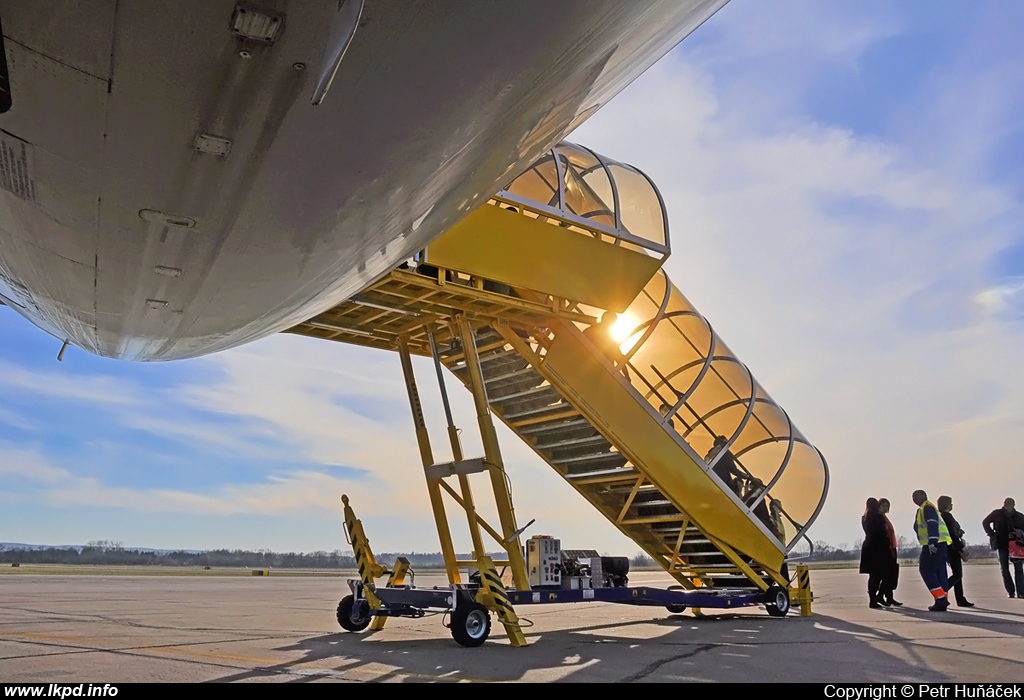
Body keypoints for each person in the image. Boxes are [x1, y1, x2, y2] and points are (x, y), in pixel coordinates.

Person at [912, 489, 952, 611]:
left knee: (926, 570)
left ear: (923, 496)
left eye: (915, 496)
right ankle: (943, 597)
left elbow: (932, 523)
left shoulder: (927, 507)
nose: (913, 499)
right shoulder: (923, 509)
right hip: (941, 543)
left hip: (934, 544)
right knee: (940, 571)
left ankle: (940, 599)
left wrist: (932, 542)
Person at [982, 498, 1024, 599]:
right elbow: (985, 522)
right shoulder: (996, 513)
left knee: (1019, 569)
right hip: (1001, 543)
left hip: (1016, 545)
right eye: (1005, 503)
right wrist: (992, 534)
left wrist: (1018, 533)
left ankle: (1021, 592)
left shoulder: (1020, 516)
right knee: (1004, 569)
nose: (1006, 505)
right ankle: (1010, 591)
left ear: (1013, 505)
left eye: (1009, 504)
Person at [937, 495, 974, 607]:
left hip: (948, 548)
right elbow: (952, 534)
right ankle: (942, 591)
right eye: (950, 503)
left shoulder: (942, 516)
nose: (952, 505)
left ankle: (960, 598)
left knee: (957, 574)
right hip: (951, 548)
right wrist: (961, 546)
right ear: (946, 504)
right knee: (957, 574)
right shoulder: (947, 516)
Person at [860, 498, 891, 609]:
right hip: (879, 548)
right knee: (881, 574)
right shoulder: (878, 517)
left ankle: (872, 599)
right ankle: (877, 597)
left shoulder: (864, 518)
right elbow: (882, 533)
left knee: (872, 575)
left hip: (868, 547)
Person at [877, 498, 902, 606]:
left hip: (892, 548)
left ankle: (889, 597)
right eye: (883, 506)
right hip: (886, 550)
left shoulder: (885, 518)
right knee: (887, 574)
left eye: (887, 506)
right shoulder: (879, 518)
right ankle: (880, 595)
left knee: (892, 574)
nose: (886, 508)